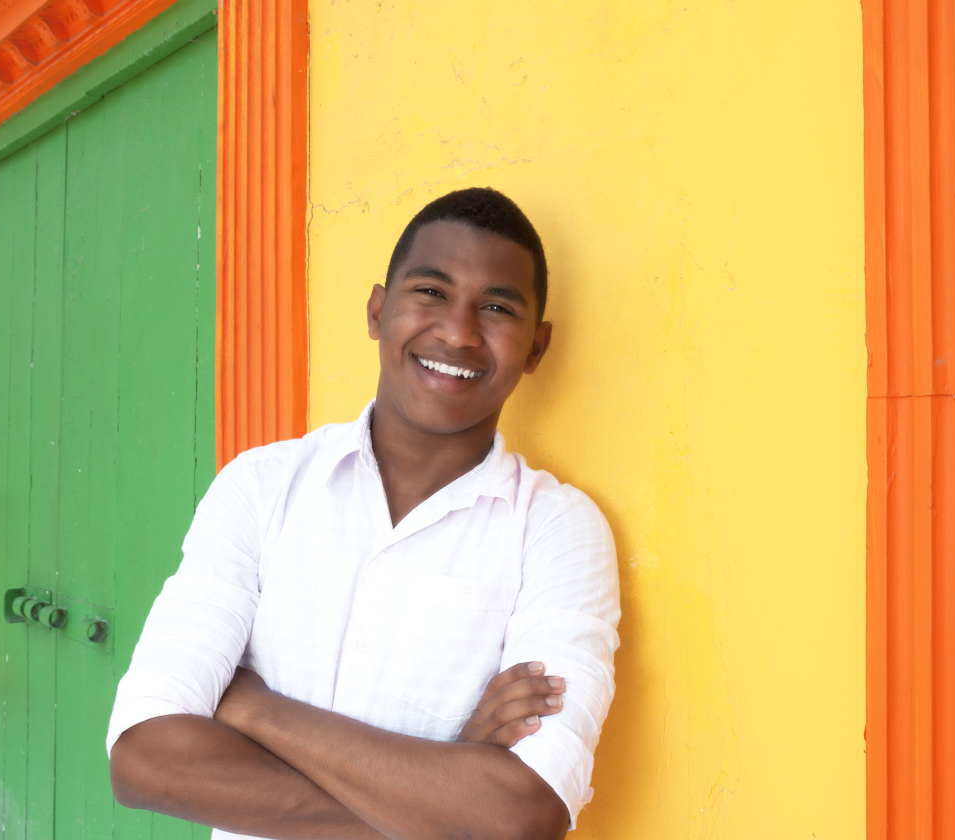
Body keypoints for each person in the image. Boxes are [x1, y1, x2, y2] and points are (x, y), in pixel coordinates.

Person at [107, 187, 621, 840]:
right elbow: (145, 760)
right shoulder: (262, 487)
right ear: (378, 311)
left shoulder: (557, 529)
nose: (458, 332)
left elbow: (521, 815)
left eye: (496, 308)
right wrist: (442, 801)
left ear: (537, 348)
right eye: (430, 292)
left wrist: (254, 708)